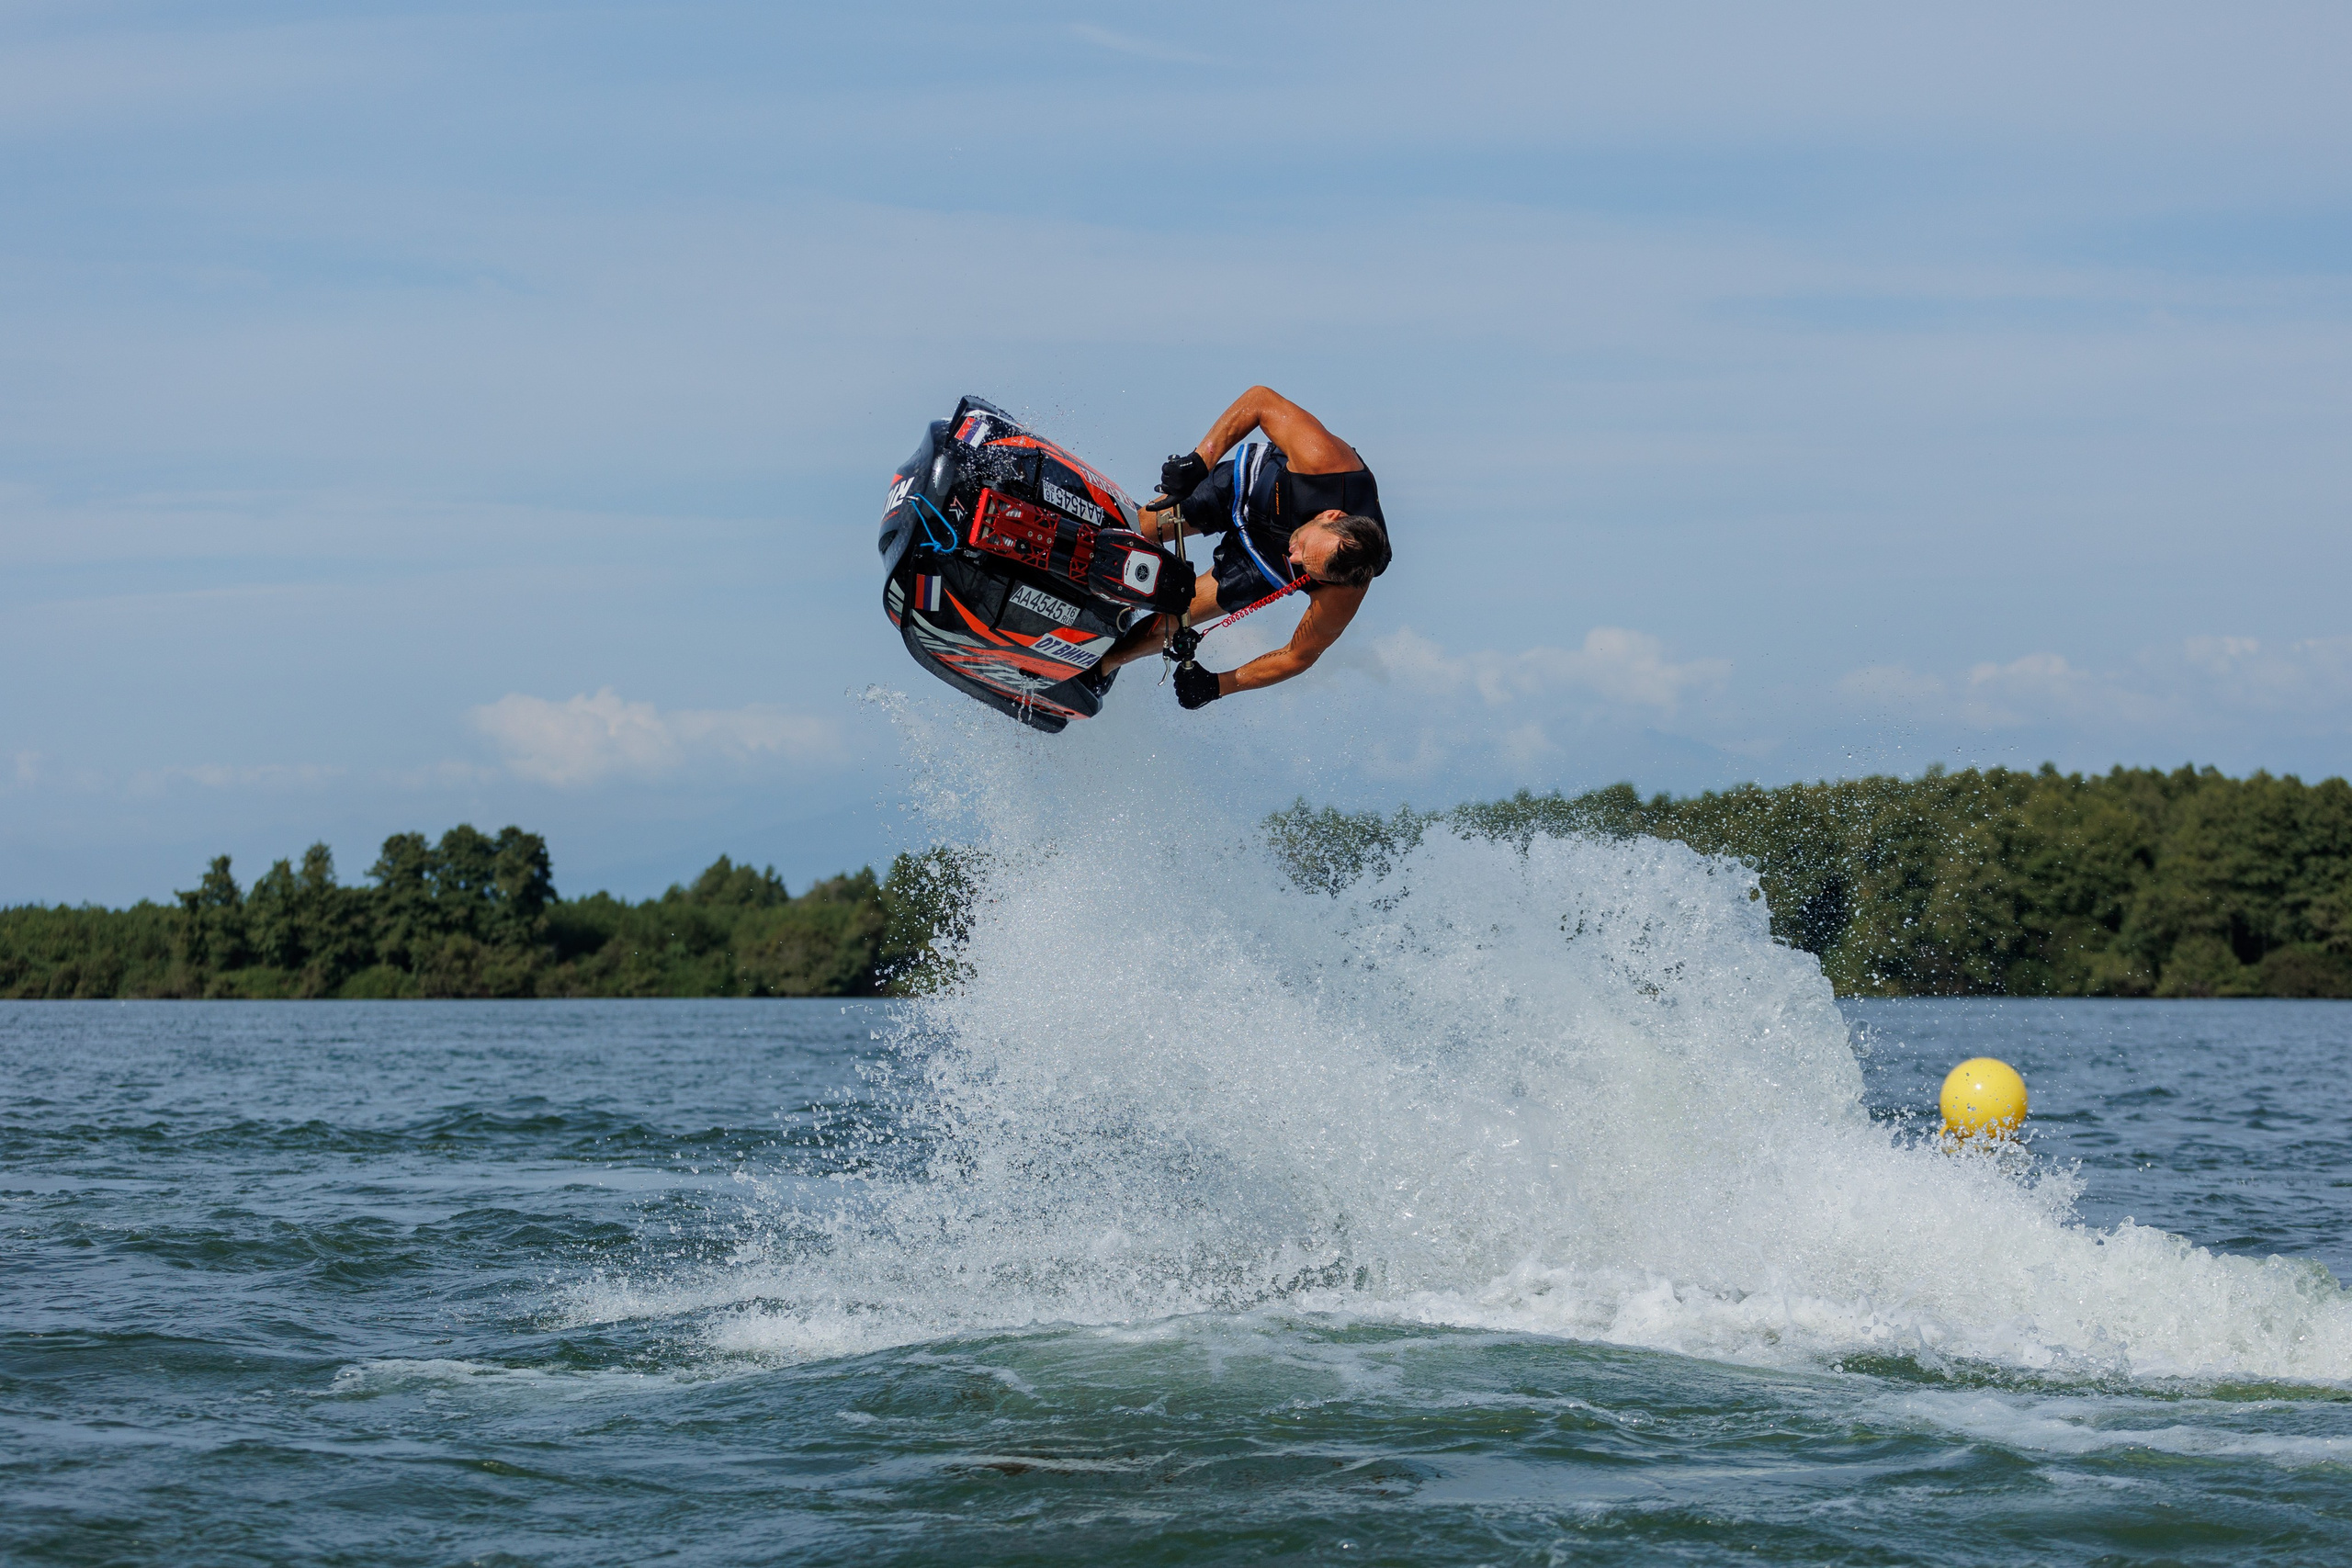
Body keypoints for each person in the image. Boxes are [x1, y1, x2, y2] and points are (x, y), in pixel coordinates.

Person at [1098, 386, 1391, 708]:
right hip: (1249, 491)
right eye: (1305, 547)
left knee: (1177, 618)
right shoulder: (1324, 461)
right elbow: (1260, 401)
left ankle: (1100, 666)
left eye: (1307, 567)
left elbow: (1298, 656)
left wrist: (1218, 685)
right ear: (1331, 516)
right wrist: (1200, 460)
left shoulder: (1343, 590)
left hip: (1265, 560)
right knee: (1132, 531)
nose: (1297, 556)